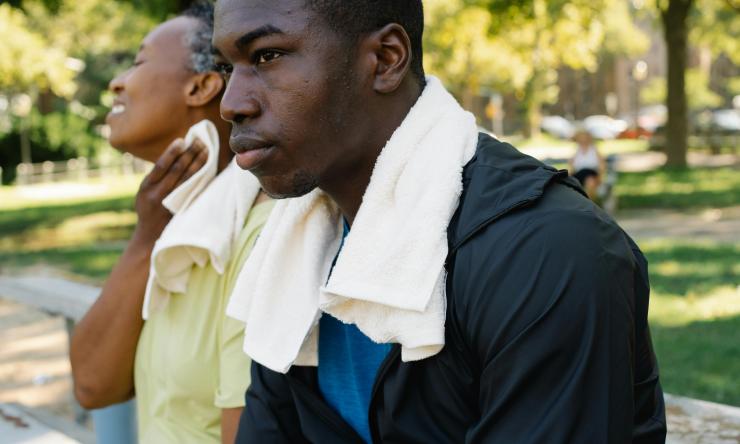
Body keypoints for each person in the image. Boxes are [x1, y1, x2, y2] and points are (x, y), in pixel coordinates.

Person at [213, 1, 666, 443]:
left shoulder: (547, 252)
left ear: (386, 59)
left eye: (267, 56)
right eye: (228, 68)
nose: (231, 104)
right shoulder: (293, 248)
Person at [69, 3, 271, 443]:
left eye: (139, 61)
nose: (116, 81)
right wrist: (147, 235)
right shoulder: (175, 221)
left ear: (201, 87)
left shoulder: (260, 231)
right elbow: (92, 384)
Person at [569, 128, 606, 200]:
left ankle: (588, 205)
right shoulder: (577, 150)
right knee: (571, 183)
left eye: (584, 138)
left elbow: (602, 166)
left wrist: (600, 177)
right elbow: (571, 167)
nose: (583, 140)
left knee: (590, 182)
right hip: (579, 174)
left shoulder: (594, 150)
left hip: (591, 173)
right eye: (581, 138)